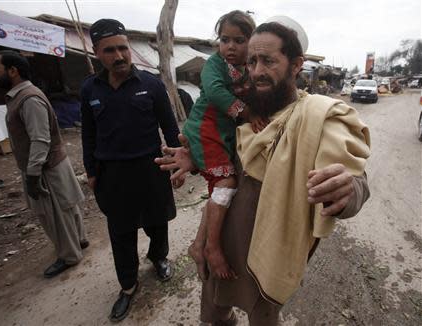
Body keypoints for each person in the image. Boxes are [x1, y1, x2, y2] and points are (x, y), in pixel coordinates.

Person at [156, 19, 371, 325]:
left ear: (296, 65)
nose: (256, 71)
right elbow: (227, 159)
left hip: (270, 253)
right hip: (222, 243)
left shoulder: (317, 116)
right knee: (216, 312)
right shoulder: (247, 111)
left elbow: (354, 177)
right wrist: (195, 159)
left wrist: (349, 189)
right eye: (252, 61)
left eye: (268, 61)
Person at [80, 19, 181, 322]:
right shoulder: (90, 88)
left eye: (123, 47)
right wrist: (91, 170)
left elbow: (170, 129)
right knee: (120, 232)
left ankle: (159, 258)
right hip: (112, 175)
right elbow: (88, 134)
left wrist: (177, 164)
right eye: (110, 50)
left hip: (150, 169)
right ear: (97, 52)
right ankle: (128, 286)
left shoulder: (150, 84)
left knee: (157, 221)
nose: (120, 55)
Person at [0, 50, 88, 279]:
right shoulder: (24, 96)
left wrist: (33, 175)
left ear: (13, 71)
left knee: (55, 214)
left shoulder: (29, 99)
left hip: (45, 168)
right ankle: (79, 240)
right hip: (52, 163)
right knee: (67, 206)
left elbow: (40, 139)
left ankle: (70, 256)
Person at [183, 10, 262, 281]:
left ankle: (198, 244)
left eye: (239, 40)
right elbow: (216, 92)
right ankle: (211, 248)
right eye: (224, 39)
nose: (230, 46)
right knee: (225, 184)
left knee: (222, 189)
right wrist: (247, 112)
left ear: (252, 42)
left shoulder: (250, 68)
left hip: (222, 135)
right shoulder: (214, 64)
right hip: (206, 131)